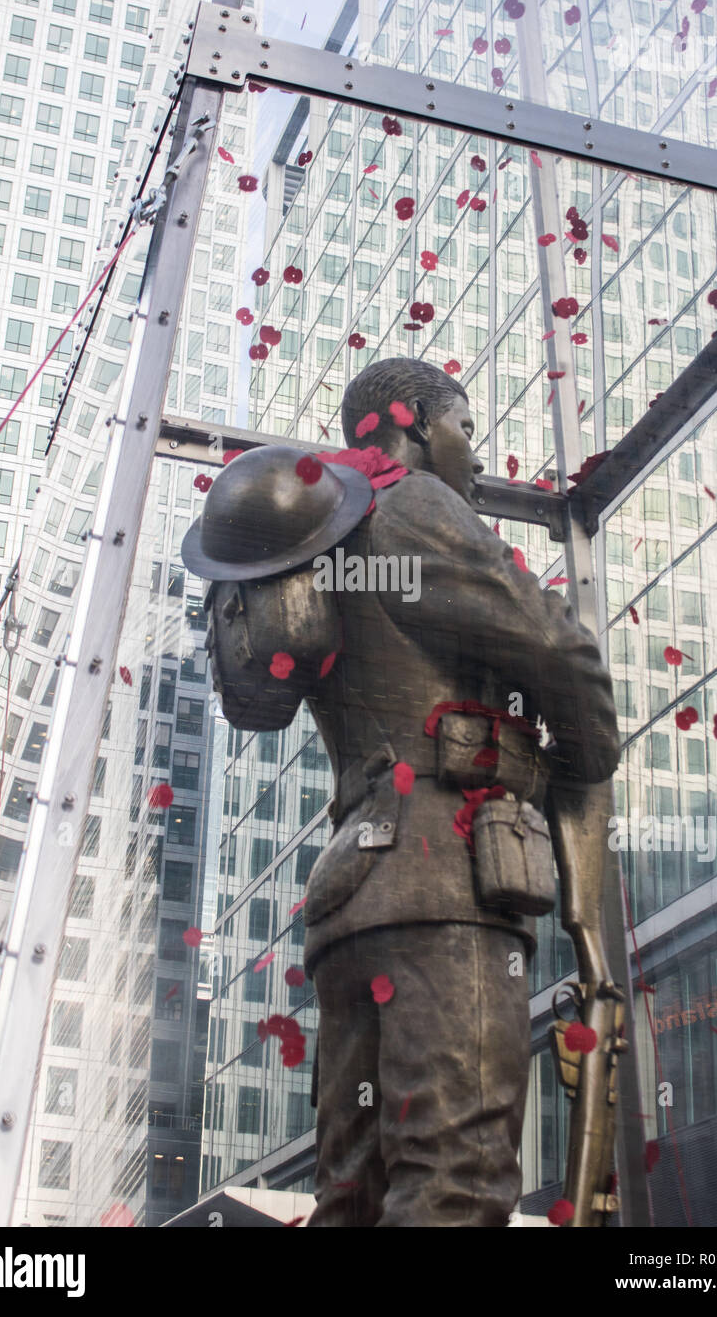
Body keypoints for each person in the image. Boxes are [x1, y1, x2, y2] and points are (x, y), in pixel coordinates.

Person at [300, 357, 620, 1227]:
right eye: (465, 429)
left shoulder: (318, 533)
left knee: (353, 1192)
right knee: (457, 1174)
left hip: (348, 890)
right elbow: (554, 648)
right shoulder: (409, 504)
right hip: (442, 875)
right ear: (410, 427)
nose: (475, 457)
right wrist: (590, 757)